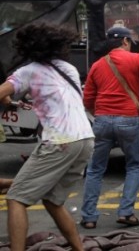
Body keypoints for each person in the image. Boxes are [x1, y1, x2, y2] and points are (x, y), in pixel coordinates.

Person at [0, 23, 94, 251]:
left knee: (16, 198)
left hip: (59, 142)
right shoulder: (68, 69)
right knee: (52, 201)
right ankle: (78, 249)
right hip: (85, 140)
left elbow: (3, 92)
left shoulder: (28, 71)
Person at [81, 26, 139, 229]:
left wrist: (100, 114)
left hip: (102, 120)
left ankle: (89, 217)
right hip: (128, 119)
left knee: (95, 169)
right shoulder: (136, 59)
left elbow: (87, 100)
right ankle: (126, 213)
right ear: (125, 41)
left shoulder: (98, 64)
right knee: (135, 165)